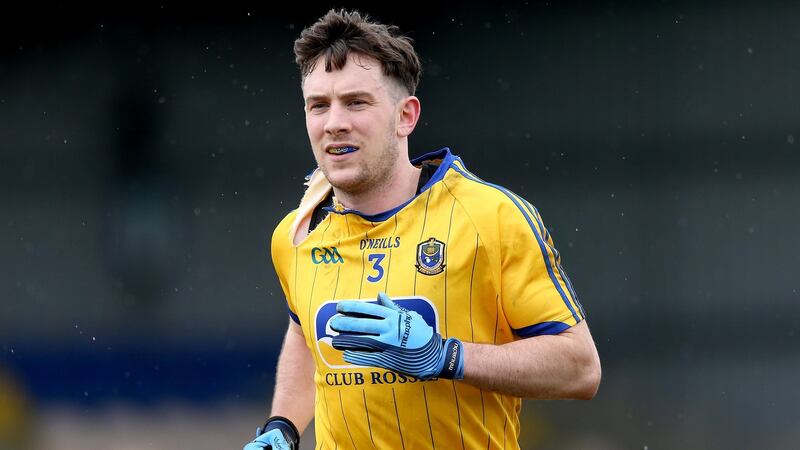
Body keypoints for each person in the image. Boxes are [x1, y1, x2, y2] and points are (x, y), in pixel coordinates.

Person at [244, 9, 601, 450]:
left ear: (405, 117)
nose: (334, 122)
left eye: (356, 102)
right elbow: (304, 334)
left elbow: (580, 368)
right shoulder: (297, 233)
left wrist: (445, 357)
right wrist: (283, 425)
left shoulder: (491, 217)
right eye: (319, 105)